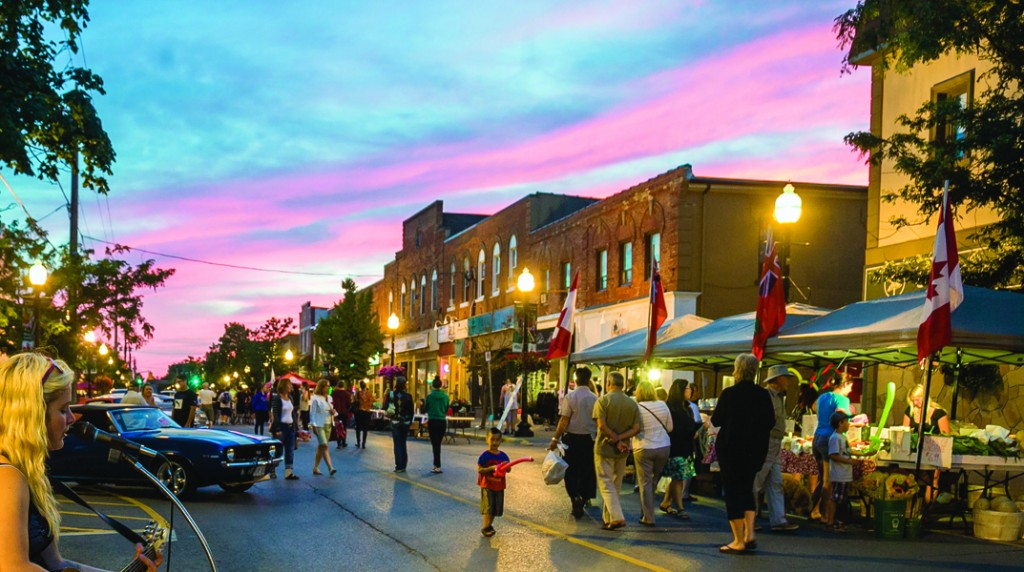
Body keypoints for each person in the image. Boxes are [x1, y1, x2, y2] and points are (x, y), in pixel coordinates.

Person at [0, 352, 162, 571]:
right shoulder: (7, 476)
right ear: (32, 414)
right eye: (63, 409)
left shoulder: (27, 473)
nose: (71, 419)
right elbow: (13, 567)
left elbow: (56, 564)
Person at [711, 354, 775, 554]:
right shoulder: (763, 395)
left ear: (737, 369)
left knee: (732, 492)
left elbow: (717, 420)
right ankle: (750, 534)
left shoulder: (729, 393)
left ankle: (738, 539)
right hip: (755, 450)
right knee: (747, 489)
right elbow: (771, 422)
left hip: (731, 449)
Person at [753, 366, 800, 532]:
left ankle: (778, 519)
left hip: (774, 441)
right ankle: (749, 518)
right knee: (758, 480)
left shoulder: (778, 397)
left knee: (775, 481)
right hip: (768, 441)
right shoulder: (766, 396)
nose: (787, 381)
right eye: (785, 378)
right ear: (778, 379)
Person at [592, 371, 641, 531]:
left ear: (608, 383)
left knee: (606, 483)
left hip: (604, 447)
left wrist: (615, 438)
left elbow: (601, 425)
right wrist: (621, 439)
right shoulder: (632, 404)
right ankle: (609, 518)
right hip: (623, 450)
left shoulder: (603, 401)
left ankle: (617, 516)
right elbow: (636, 428)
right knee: (616, 484)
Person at [548, 367, 598, 519]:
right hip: (589, 439)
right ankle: (583, 497)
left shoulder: (571, 397)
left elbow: (564, 420)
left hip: (572, 439)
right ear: (589, 379)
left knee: (570, 470)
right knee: (587, 470)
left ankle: (574, 496)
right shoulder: (595, 398)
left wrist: (555, 438)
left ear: (576, 380)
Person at [811, 374, 854, 522]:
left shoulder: (823, 396)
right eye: (850, 386)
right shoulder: (842, 399)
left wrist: (823, 417)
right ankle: (825, 515)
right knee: (828, 481)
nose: (850, 390)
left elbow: (813, 406)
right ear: (845, 384)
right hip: (829, 439)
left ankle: (812, 509)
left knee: (822, 479)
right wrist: (852, 419)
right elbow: (841, 414)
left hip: (817, 438)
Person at [633, 381, 673, 527]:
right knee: (653, 480)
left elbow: (634, 427)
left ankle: (648, 517)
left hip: (643, 447)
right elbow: (670, 427)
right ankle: (646, 510)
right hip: (663, 446)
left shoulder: (637, 407)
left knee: (645, 482)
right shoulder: (663, 405)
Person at [660, 379, 697, 518]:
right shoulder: (671, 408)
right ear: (681, 390)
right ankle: (680, 507)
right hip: (676, 447)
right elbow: (676, 429)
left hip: (685, 447)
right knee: (678, 478)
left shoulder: (686, 407)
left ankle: (666, 502)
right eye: (688, 388)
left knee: (677, 477)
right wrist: (693, 431)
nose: (690, 391)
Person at [477, 428, 511, 538]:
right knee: (488, 507)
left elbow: (509, 470)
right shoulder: (485, 456)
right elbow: (480, 470)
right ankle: (485, 527)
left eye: (497, 440)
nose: (495, 443)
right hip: (488, 485)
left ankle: (489, 526)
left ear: (501, 441)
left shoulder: (503, 456)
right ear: (487, 439)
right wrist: (491, 468)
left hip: (499, 486)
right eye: (492, 440)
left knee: (496, 508)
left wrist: (506, 466)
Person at [826, 411, 854, 532]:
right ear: (840, 423)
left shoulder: (843, 437)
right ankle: (832, 522)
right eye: (846, 422)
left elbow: (847, 451)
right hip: (839, 474)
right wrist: (849, 461)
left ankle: (838, 521)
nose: (848, 424)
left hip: (845, 474)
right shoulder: (835, 438)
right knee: (836, 498)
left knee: (841, 499)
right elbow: (833, 455)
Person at [270, 377, 300, 480]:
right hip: (281, 427)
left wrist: (296, 428)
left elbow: (293, 413)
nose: (291, 386)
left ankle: (288, 472)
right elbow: (275, 413)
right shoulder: (277, 398)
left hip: (290, 427)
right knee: (278, 450)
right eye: (289, 384)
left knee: (290, 450)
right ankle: (272, 469)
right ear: (284, 386)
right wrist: (277, 429)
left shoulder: (290, 397)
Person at [383, 376, 414, 472]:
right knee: (403, 442)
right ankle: (403, 464)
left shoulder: (391, 394)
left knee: (397, 443)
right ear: (405, 384)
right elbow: (411, 411)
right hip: (404, 422)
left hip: (395, 421)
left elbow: (385, 407)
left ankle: (399, 465)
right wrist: (409, 421)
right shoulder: (408, 396)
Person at [309, 379, 337, 477]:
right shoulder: (315, 398)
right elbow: (312, 413)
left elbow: (332, 410)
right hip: (319, 424)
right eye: (326, 386)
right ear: (321, 387)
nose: (328, 387)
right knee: (324, 445)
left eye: (329, 386)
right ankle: (330, 468)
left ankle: (315, 467)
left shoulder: (329, 398)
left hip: (328, 424)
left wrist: (334, 412)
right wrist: (313, 425)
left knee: (321, 446)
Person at [681, 381, 702, 503]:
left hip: (677, 442)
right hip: (688, 441)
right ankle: (683, 494)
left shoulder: (673, 406)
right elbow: (696, 423)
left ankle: (674, 497)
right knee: (687, 467)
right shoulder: (691, 407)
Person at [425, 376, 450, 473]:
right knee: (438, 443)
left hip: (432, 421)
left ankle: (437, 465)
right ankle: (437, 465)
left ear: (432, 385)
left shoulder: (429, 397)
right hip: (442, 421)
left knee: (435, 444)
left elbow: (426, 408)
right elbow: (447, 408)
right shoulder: (445, 396)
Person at [331, 380, 352, 449]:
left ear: (337, 386)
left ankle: (338, 443)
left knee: (337, 427)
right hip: (344, 413)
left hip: (336, 413)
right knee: (344, 428)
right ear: (343, 386)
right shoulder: (347, 394)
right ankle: (343, 442)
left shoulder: (334, 393)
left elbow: (331, 403)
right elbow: (349, 404)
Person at [355, 381, 374, 449]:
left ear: (360, 386)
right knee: (365, 428)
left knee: (358, 428)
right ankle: (363, 443)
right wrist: (368, 406)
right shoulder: (369, 393)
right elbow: (372, 401)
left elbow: (355, 401)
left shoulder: (358, 393)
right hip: (367, 412)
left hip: (359, 412)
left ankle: (358, 442)